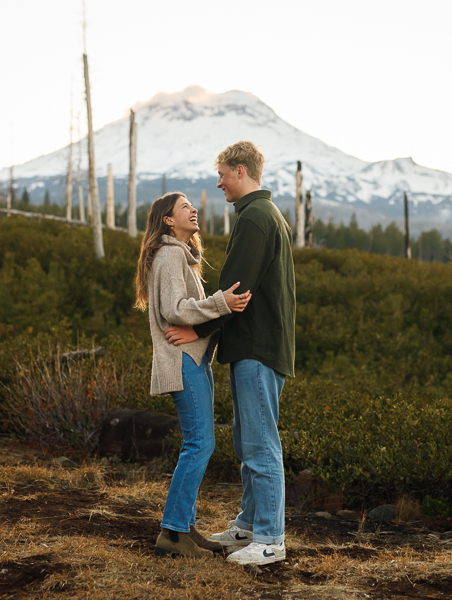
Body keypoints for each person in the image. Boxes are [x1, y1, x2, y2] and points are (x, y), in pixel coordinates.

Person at [164, 141, 295, 566]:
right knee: (247, 440)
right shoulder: (260, 215)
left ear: (240, 171)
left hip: (257, 347)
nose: (218, 182)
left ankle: (270, 539)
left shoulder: (256, 218)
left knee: (260, 445)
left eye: (222, 173)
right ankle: (249, 525)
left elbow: (234, 290)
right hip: (252, 346)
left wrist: (195, 329)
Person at [135, 191, 251, 559]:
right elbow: (175, 309)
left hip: (192, 358)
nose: (193, 209)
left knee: (199, 442)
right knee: (199, 444)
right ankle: (172, 534)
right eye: (184, 207)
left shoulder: (180, 255)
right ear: (168, 220)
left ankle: (184, 527)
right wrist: (222, 303)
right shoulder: (170, 254)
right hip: (183, 360)